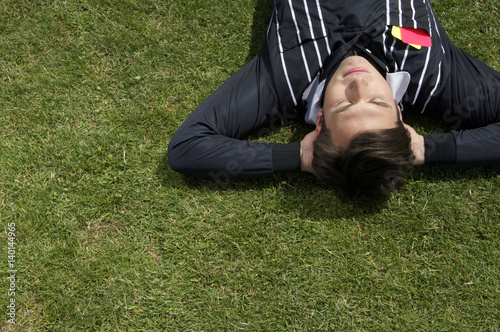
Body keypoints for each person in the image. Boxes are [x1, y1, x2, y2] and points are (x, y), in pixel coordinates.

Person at [168, 0, 500, 198]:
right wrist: (427, 148)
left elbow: (189, 148)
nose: (359, 85)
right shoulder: (432, 73)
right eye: (377, 103)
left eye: (344, 104)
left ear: (321, 120)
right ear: (400, 112)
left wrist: (297, 155)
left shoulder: (283, 82)